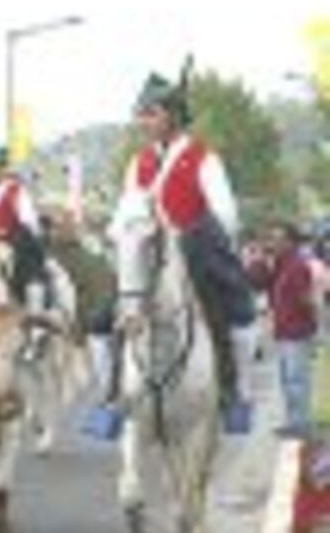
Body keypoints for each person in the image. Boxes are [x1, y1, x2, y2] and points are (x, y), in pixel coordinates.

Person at [104, 58, 258, 433]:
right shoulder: (138, 162)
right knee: (106, 318)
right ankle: (114, 396)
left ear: (172, 116)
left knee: (238, 314)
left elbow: (225, 213)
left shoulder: (203, 158)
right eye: (142, 114)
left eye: (151, 113)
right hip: (147, 253)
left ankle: (236, 392)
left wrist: (190, 235)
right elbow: (127, 209)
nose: (144, 121)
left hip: (196, 249)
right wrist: (120, 232)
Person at [247, 222, 318, 437]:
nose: (274, 242)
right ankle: (293, 422)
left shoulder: (298, 265)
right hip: (283, 331)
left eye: (279, 238)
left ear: (291, 242)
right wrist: (258, 259)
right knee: (287, 380)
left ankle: (301, 424)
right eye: (272, 238)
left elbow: (306, 299)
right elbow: (258, 284)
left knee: (297, 379)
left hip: (296, 332)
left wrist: (313, 326)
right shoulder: (280, 264)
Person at [0, 146, 52, 311]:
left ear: (3, 168)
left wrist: (29, 235)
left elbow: (28, 220)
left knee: (31, 267)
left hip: (14, 242)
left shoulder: (17, 191)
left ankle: (35, 308)